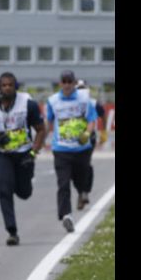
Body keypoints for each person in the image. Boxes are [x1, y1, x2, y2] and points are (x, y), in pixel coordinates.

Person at [0, 72, 46, 246]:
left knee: (24, 193)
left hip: (24, 154)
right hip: (2, 154)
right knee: (4, 188)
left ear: (16, 87)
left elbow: (41, 130)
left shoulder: (28, 104)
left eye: (10, 85)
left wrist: (33, 152)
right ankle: (12, 231)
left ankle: (23, 181)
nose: (7, 88)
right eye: (4, 85)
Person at [46, 70, 98, 232]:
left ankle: (83, 192)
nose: (67, 85)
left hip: (82, 148)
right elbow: (49, 122)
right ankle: (66, 215)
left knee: (80, 178)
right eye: (64, 81)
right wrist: (43, 142)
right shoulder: (52, 101)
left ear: (75, 83)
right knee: (63, 183)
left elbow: (92, 120)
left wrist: (87, 134)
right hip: (61, 149)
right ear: (60, 83)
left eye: (70, 82)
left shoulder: (84, 99)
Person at [75, 79, 106, 210]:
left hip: (89, 138)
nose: (81, 91)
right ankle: (81, 192)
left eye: (83, 89)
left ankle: (84, 192)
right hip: (72, 140)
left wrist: (103, 131)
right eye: (79, 89)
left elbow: (103, 115)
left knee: (85, 164)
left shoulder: (93, 103)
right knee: (75, 168)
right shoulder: (70, 103)